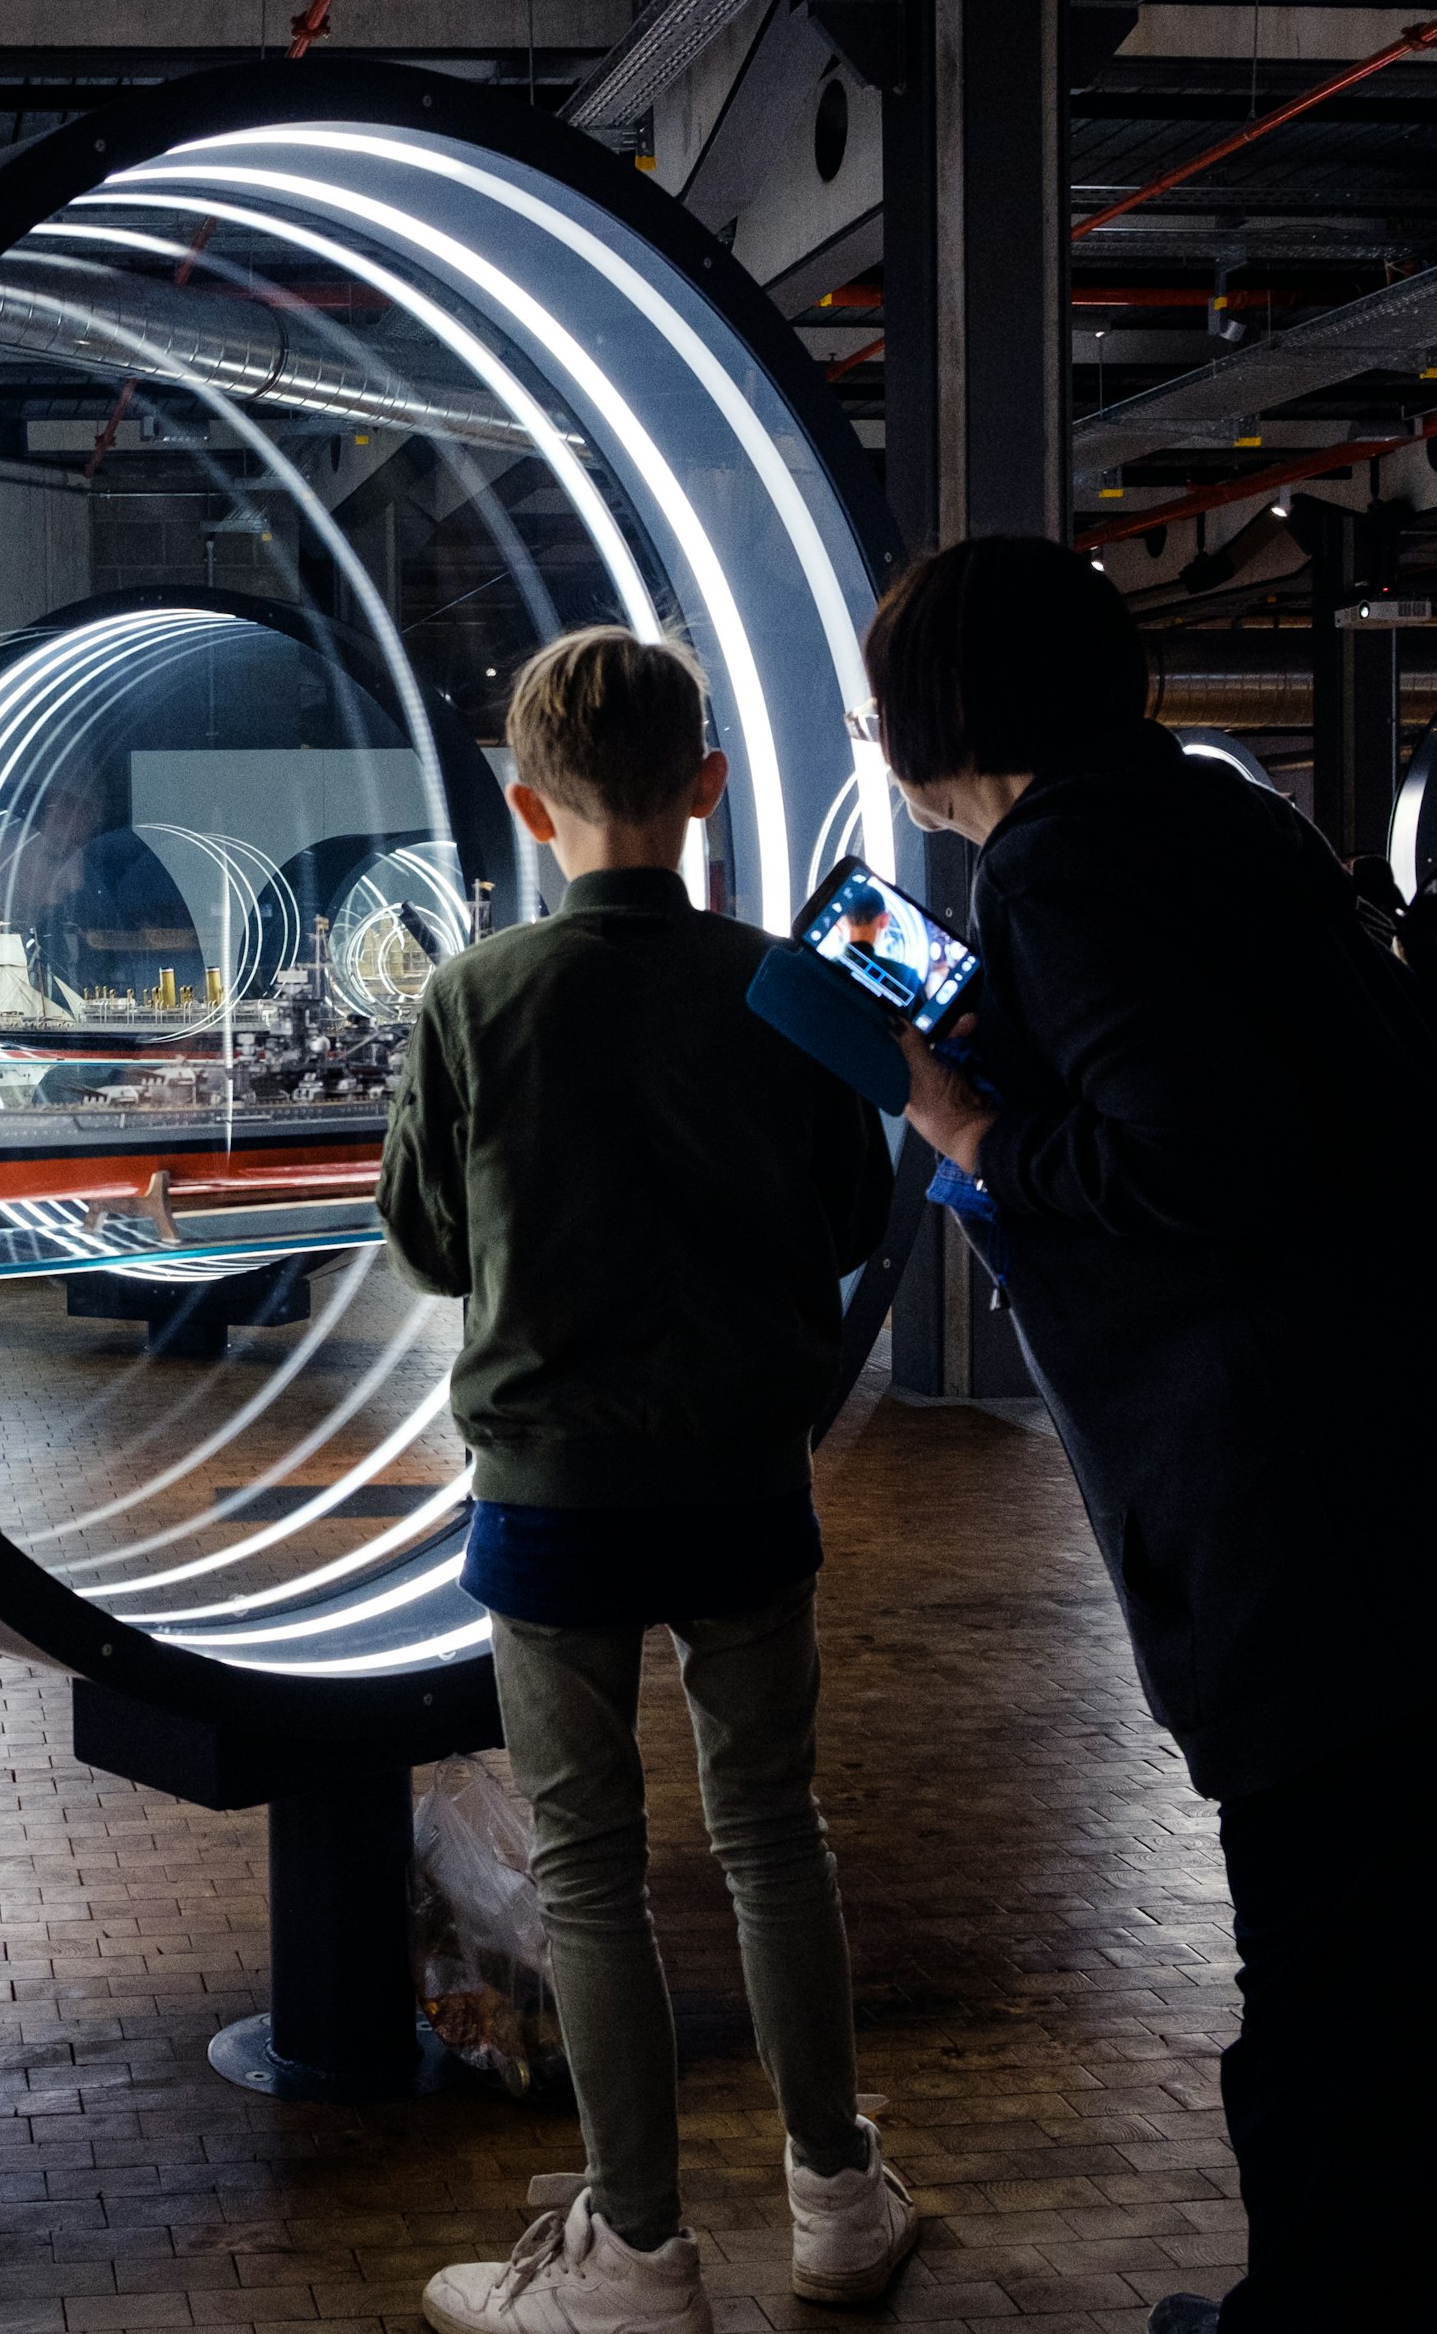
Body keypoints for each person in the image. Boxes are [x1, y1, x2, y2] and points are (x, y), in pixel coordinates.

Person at [868, 537, 1437, 2334]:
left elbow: (1208, 1156)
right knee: (1394, 1984)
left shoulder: (1068, 863)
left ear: (939, 714)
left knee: (1328, 1990)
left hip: (1347, 1530)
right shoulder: (1222, 819)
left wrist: (975, 1133)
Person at [382, 627, 914, 2334]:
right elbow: (851, 1223)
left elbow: (427, 1243)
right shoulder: (790, 989)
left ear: (531, 806)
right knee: (775, 1835)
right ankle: (837, 2195)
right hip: (745, 1477)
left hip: (554, 1492)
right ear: (706, 786)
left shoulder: (473, 1000)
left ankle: (637, 2256)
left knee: (589, 1870)